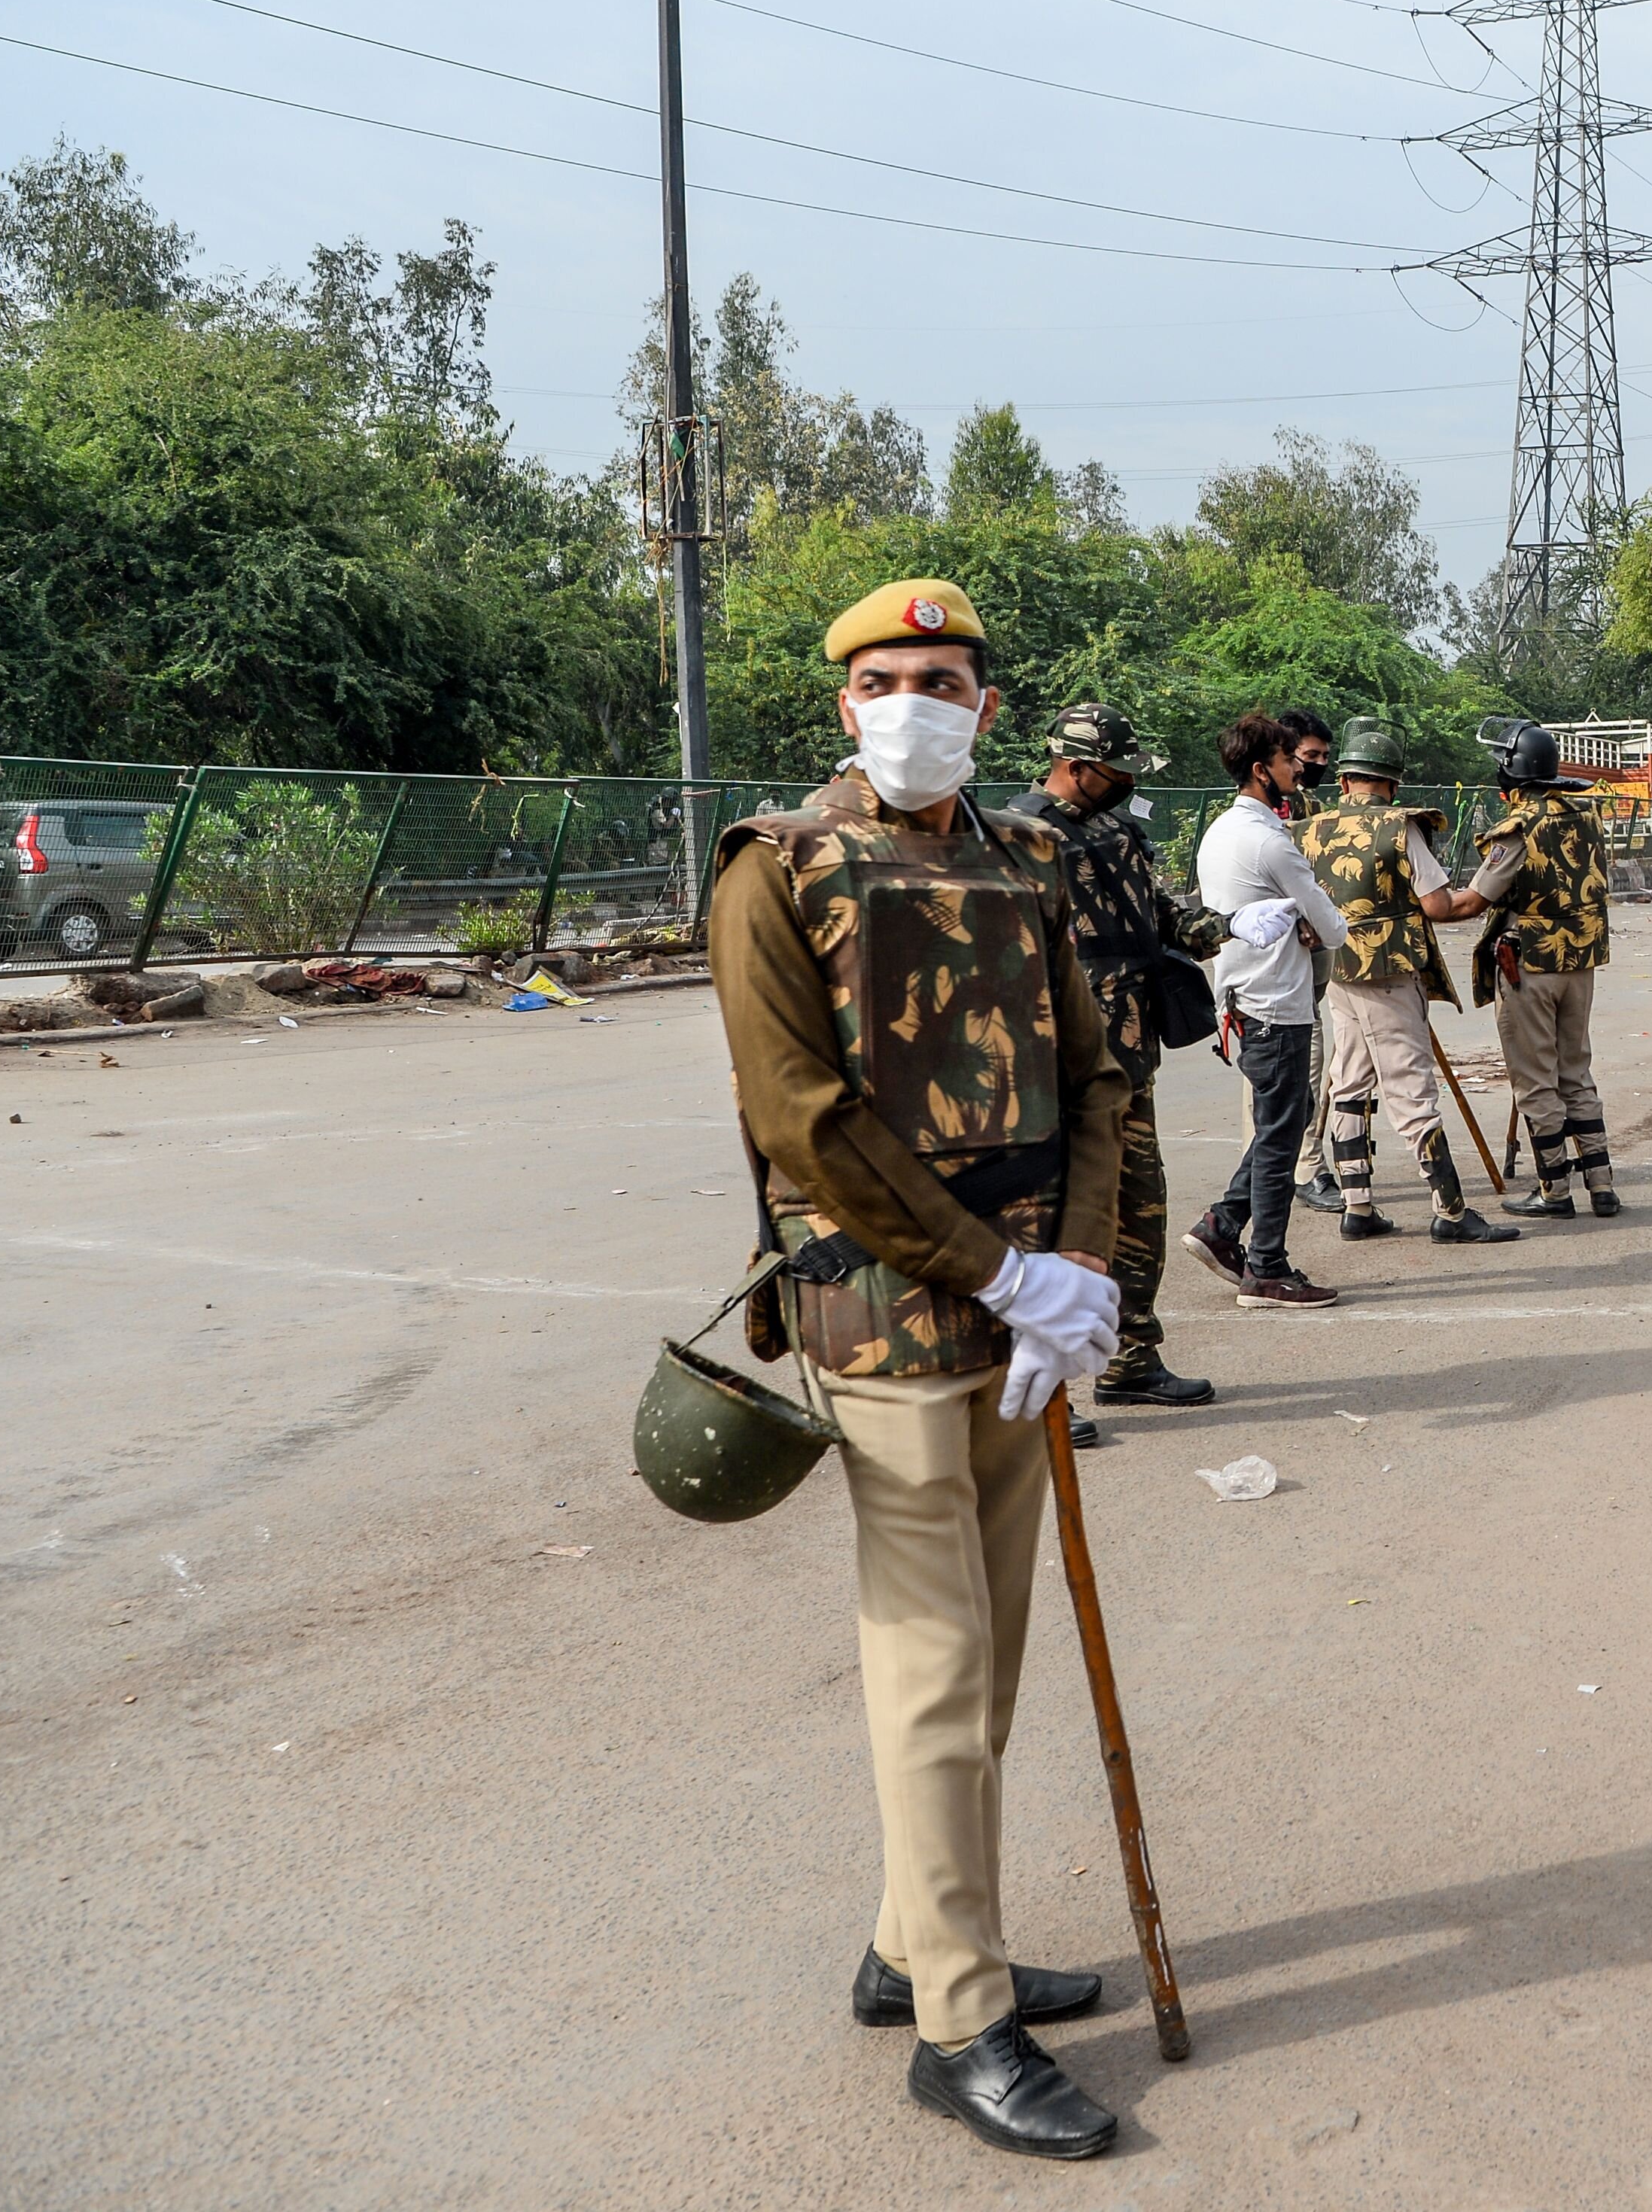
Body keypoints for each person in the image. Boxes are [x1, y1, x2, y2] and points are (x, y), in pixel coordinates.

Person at [707, 575, 1130, 2160]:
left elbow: (1095, 1070)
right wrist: (999, 1265)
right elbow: (801, 1115)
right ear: (842, 704)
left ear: (986, 702)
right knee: (936, 1663)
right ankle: (959, 2018)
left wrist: (1077, 1266)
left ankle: (911, 1942)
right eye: (884, 676)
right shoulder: (778, 867)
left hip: (1027, 1319)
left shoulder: (1026, 857)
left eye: (943, 674)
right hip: (884, 1311)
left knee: (995, 1654)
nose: (914, 697)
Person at [1009, 700, 1226, 1418]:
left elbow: (1165, 918)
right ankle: (1045, 1391)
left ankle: (1133, 1357)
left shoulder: (1117, 831)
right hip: (1059, 1069)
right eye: (1116, 770)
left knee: (1141, 1210)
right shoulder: (1020, 838)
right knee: (1053, 1225)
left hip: (1130, 1059)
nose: (1127, 781)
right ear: (1073, 767)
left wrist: (1235, 926)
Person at [1292, 717, 1524, 1246]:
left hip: (1336, 969)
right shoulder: (1402, 825)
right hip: (1390, 972)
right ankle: (1450, 1211)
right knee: (1412, 1090)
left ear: (1346, 779)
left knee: (1349, 1082)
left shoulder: (1309, 827)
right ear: (1393, 783)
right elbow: (1438, 905)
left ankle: (1357, 1205)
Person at [1187, 713, 1349, 1310]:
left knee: (1283, 1121)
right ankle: (1267, 1267)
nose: (1297, 772)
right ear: (1263, 771)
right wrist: (1319, 924)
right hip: (1275, 1001)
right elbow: (1332, 927)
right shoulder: (1269, 839)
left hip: (1242, 995)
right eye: (1288, 762)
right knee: (1282, 1137)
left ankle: (1223, 1226)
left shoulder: (1221, 832)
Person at [1471, 720, 1623, 1216]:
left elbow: (1477, 898)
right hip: (1581, 962)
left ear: (1511, 773)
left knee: (1535, 1080)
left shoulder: (1516, 828)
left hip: (1529, 965)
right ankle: (1601, 1186)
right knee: (1576, 1071)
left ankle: (1555, 1190)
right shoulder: (1587, 816)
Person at [1276, 710, 1346, 1216]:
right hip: (1282, 951)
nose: (1315, 765)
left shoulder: (1309, 803)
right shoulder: (1268, 809)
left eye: (1324, 757)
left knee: (1297, 1062)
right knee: (1303, 1059)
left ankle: (1281, 1163)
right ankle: (1304, 1167)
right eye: (1309, 756)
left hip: (1312, 950)